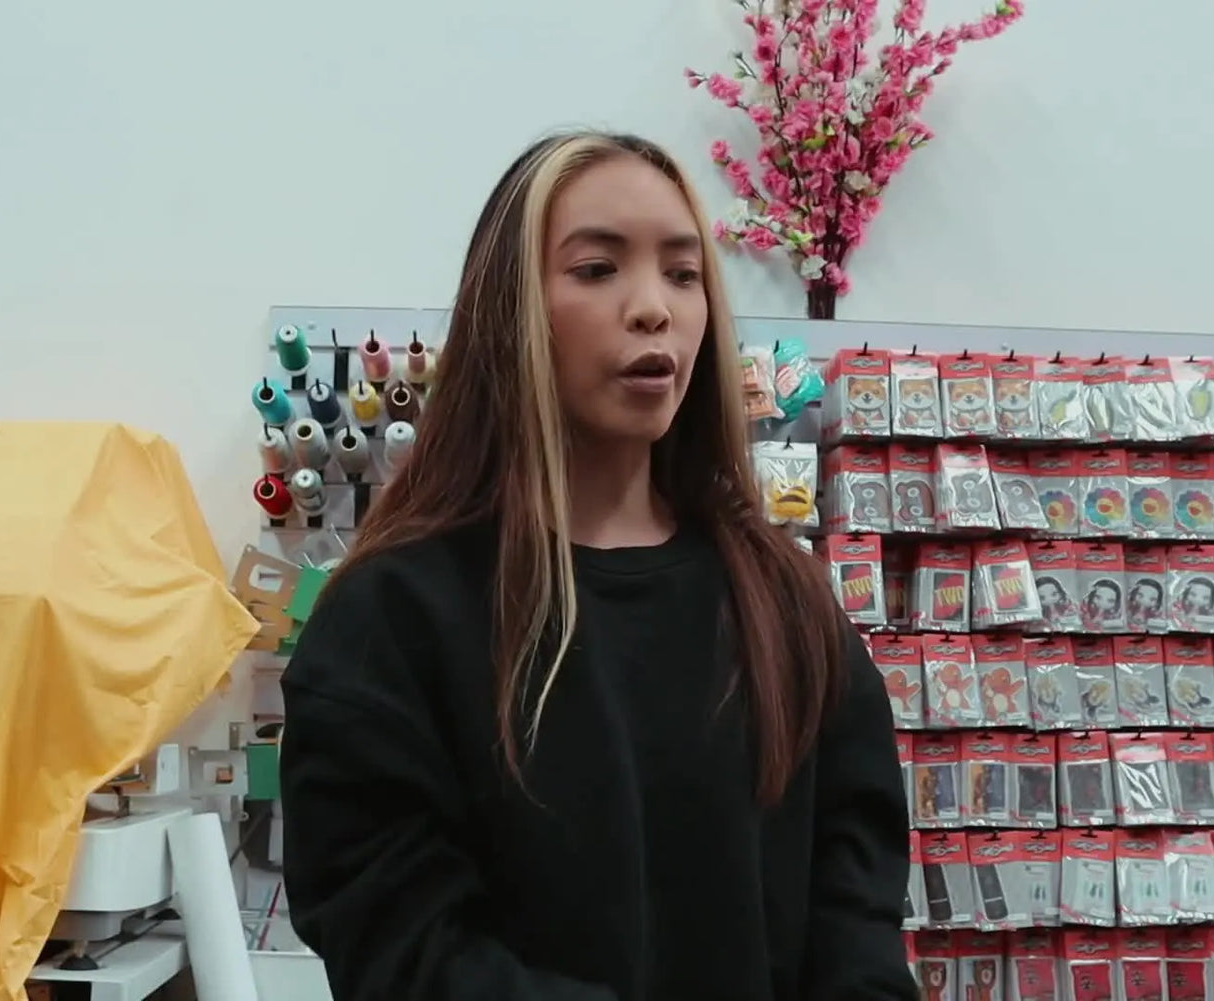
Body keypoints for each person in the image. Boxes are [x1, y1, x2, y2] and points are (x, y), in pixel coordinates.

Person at [278, 130, 914, 1001]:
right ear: (510, 310)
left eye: (683, 274)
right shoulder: (392, 620)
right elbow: (407, 949)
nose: (653, 308)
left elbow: (856, 904)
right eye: (597, 268)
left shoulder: (784, 602)